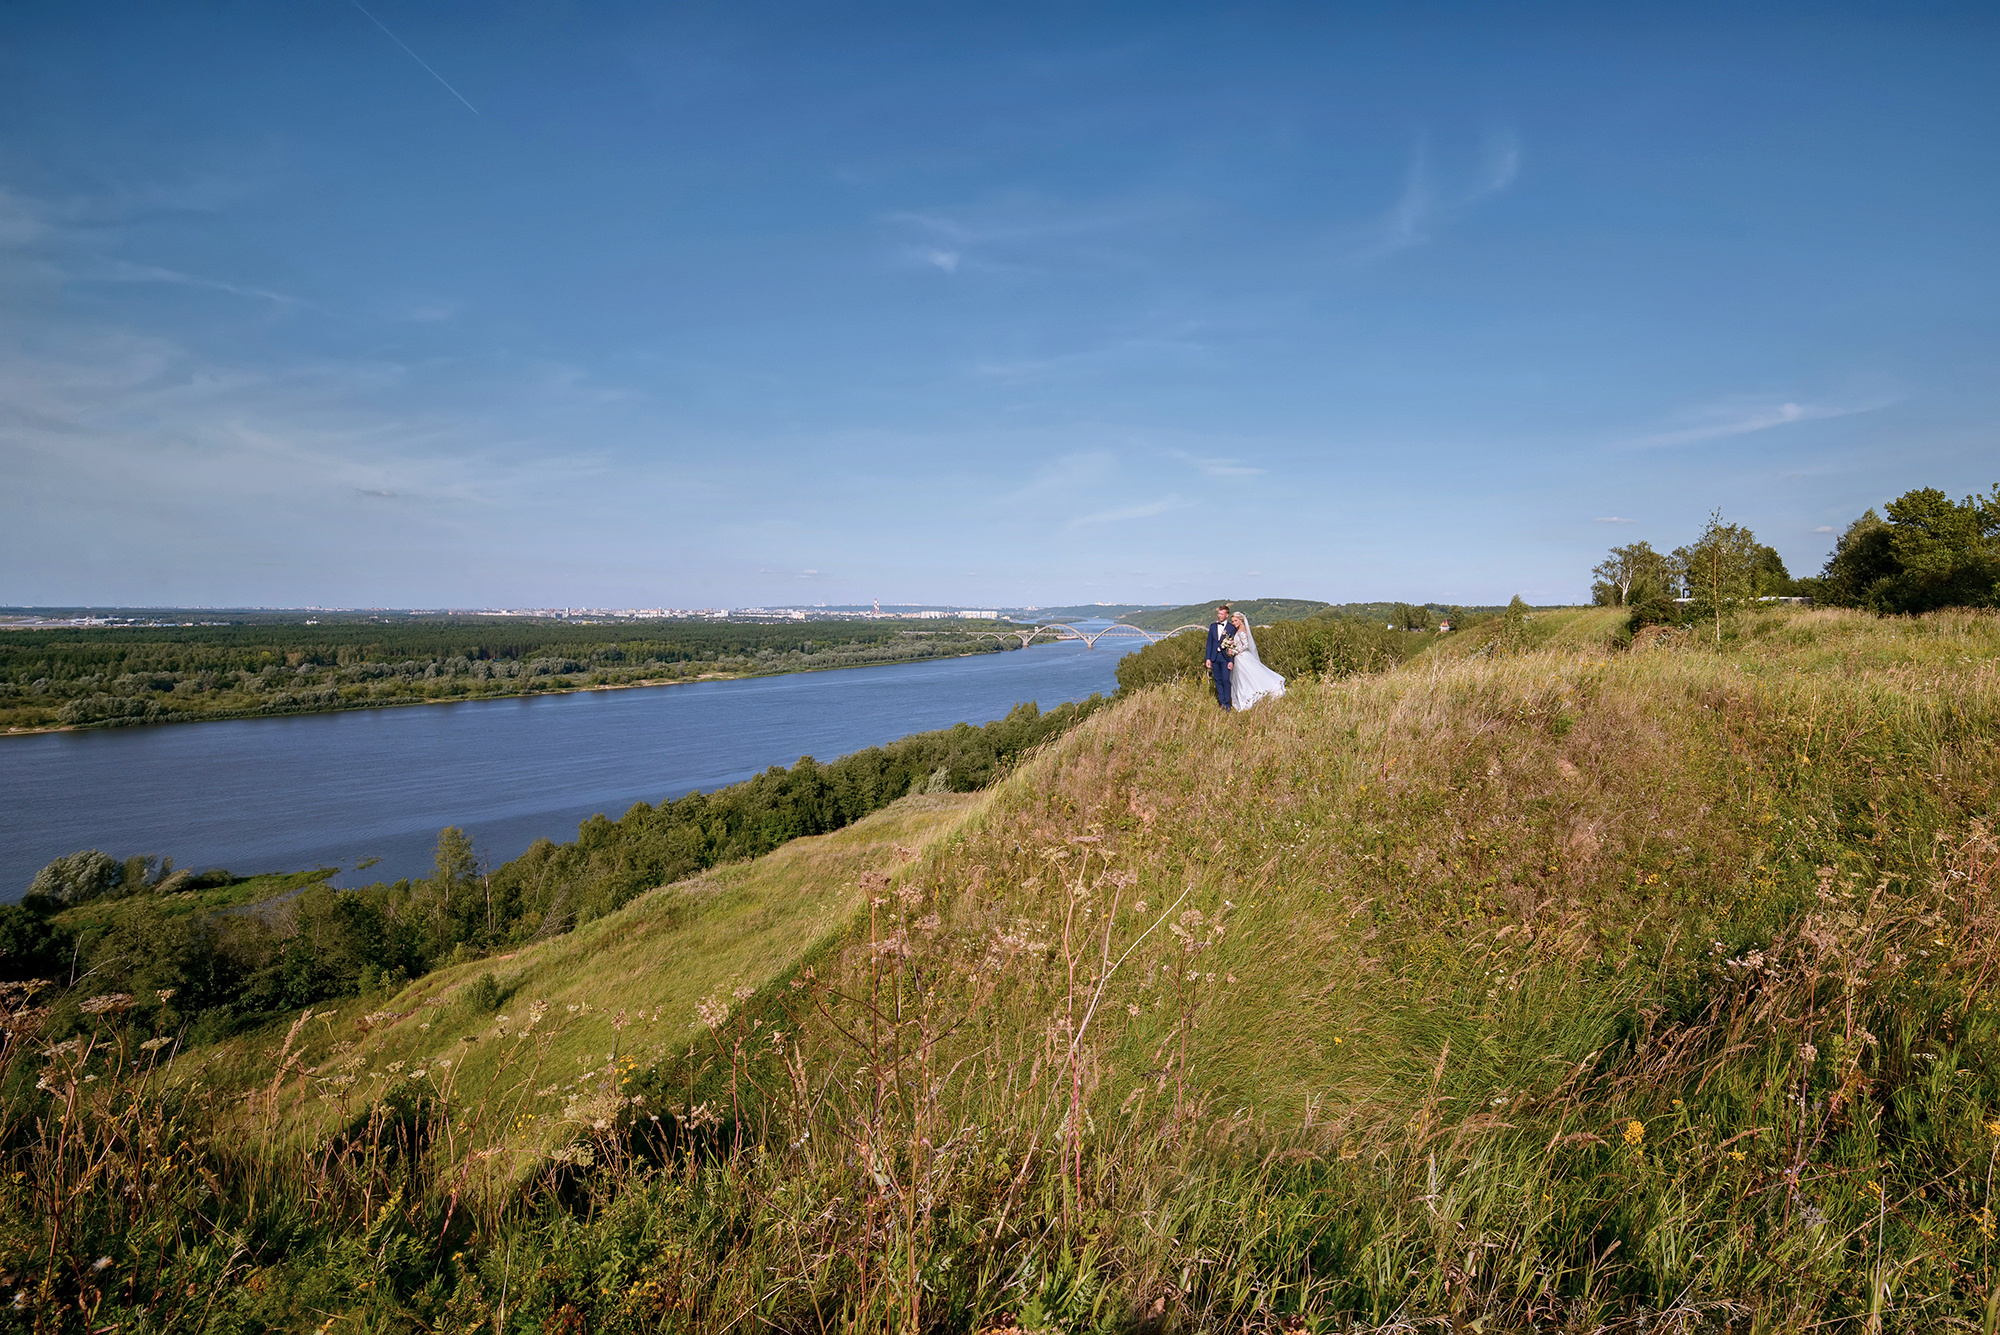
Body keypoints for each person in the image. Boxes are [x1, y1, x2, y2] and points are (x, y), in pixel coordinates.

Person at [1228, 612, 1286, 710]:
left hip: (1242, 657)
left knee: (1245, 679)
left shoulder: (1241, 631)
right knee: (1246, 679)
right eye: (1233, 621)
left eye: (1235, 621)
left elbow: (1245, 645)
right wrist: (1232, 643)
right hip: (1240, 657)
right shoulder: (1240, 630)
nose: (1234, 623)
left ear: (1241, 620)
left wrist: (1234, 651)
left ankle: (1248, 698)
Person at [1204, 603, 1235, 710]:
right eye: (1218, 613)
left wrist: (1231, 660)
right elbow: (1209, 643)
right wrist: (1208, 658)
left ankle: (1227, 704)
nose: (1219, 616)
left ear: (1227, 615)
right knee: (1217, 680)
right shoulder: (1213, 626)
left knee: (1226, 680)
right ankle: (1222, 702)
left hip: (1226, 658)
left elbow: (1233, 645)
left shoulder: (1231, 628)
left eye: (1222, 614)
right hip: (1215, 657)